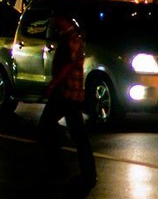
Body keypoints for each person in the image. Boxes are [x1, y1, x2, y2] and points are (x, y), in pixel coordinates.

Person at [38, 13, 96, 190]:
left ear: (64, 20)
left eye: (56, 19)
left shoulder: (72, 39)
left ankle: (68, 169)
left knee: (51, 127)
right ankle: (82, 171)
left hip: (67, 92)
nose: (54, 22)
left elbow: (68, 65)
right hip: (67, 92)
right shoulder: (68, 37)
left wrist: (54, 83)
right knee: (75, 132)